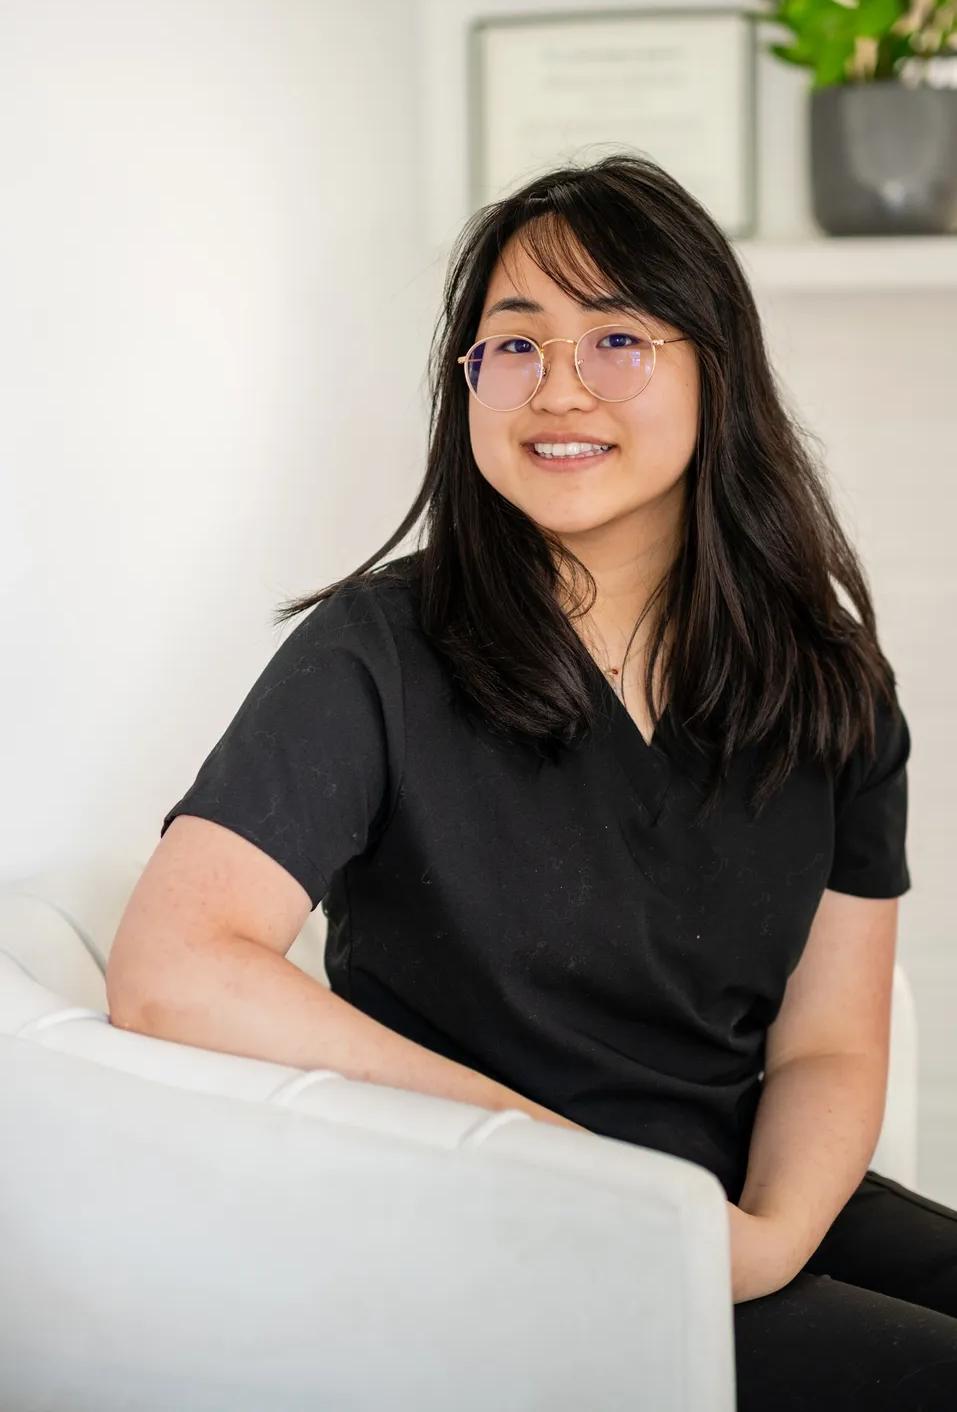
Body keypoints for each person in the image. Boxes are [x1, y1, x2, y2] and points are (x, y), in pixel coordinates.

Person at [106, 154, 957, 1407]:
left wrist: (764, 1234)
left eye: (618, 336)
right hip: (486, 1225)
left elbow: (829, 1043)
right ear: (467, 385)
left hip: (735, 1197)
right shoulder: (377, 650)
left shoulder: (825, 681)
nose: (559, 388)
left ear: (717, 370)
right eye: (514, 346)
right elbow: (172, 968)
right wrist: (588, 1177)